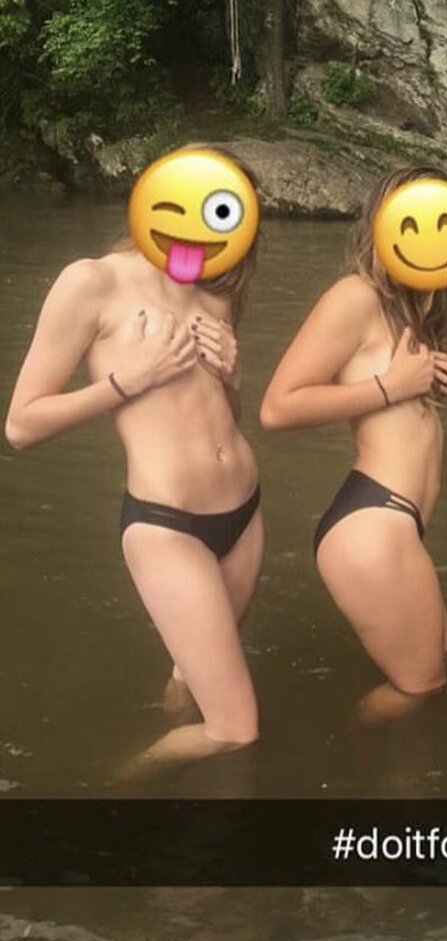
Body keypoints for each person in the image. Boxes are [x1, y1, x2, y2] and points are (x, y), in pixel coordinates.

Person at [5, 147, 263, 771]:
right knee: (234, 730)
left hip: (245, 515)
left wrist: (232, 376)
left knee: (190, 678)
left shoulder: (215, 290)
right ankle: (122, 785)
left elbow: (221, 414)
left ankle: (176, 739)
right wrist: (128, 381)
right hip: (168, 525)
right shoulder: (92, 281)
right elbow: (21, 425)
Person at [260, 166, 447, 721]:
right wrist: (392, 386)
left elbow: (391, 403)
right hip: (373, 523)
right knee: (419, 689)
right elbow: (277, 408)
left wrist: (431, 381)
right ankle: (325, 756)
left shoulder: (415, 307)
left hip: (398, 524)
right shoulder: (356, 296)